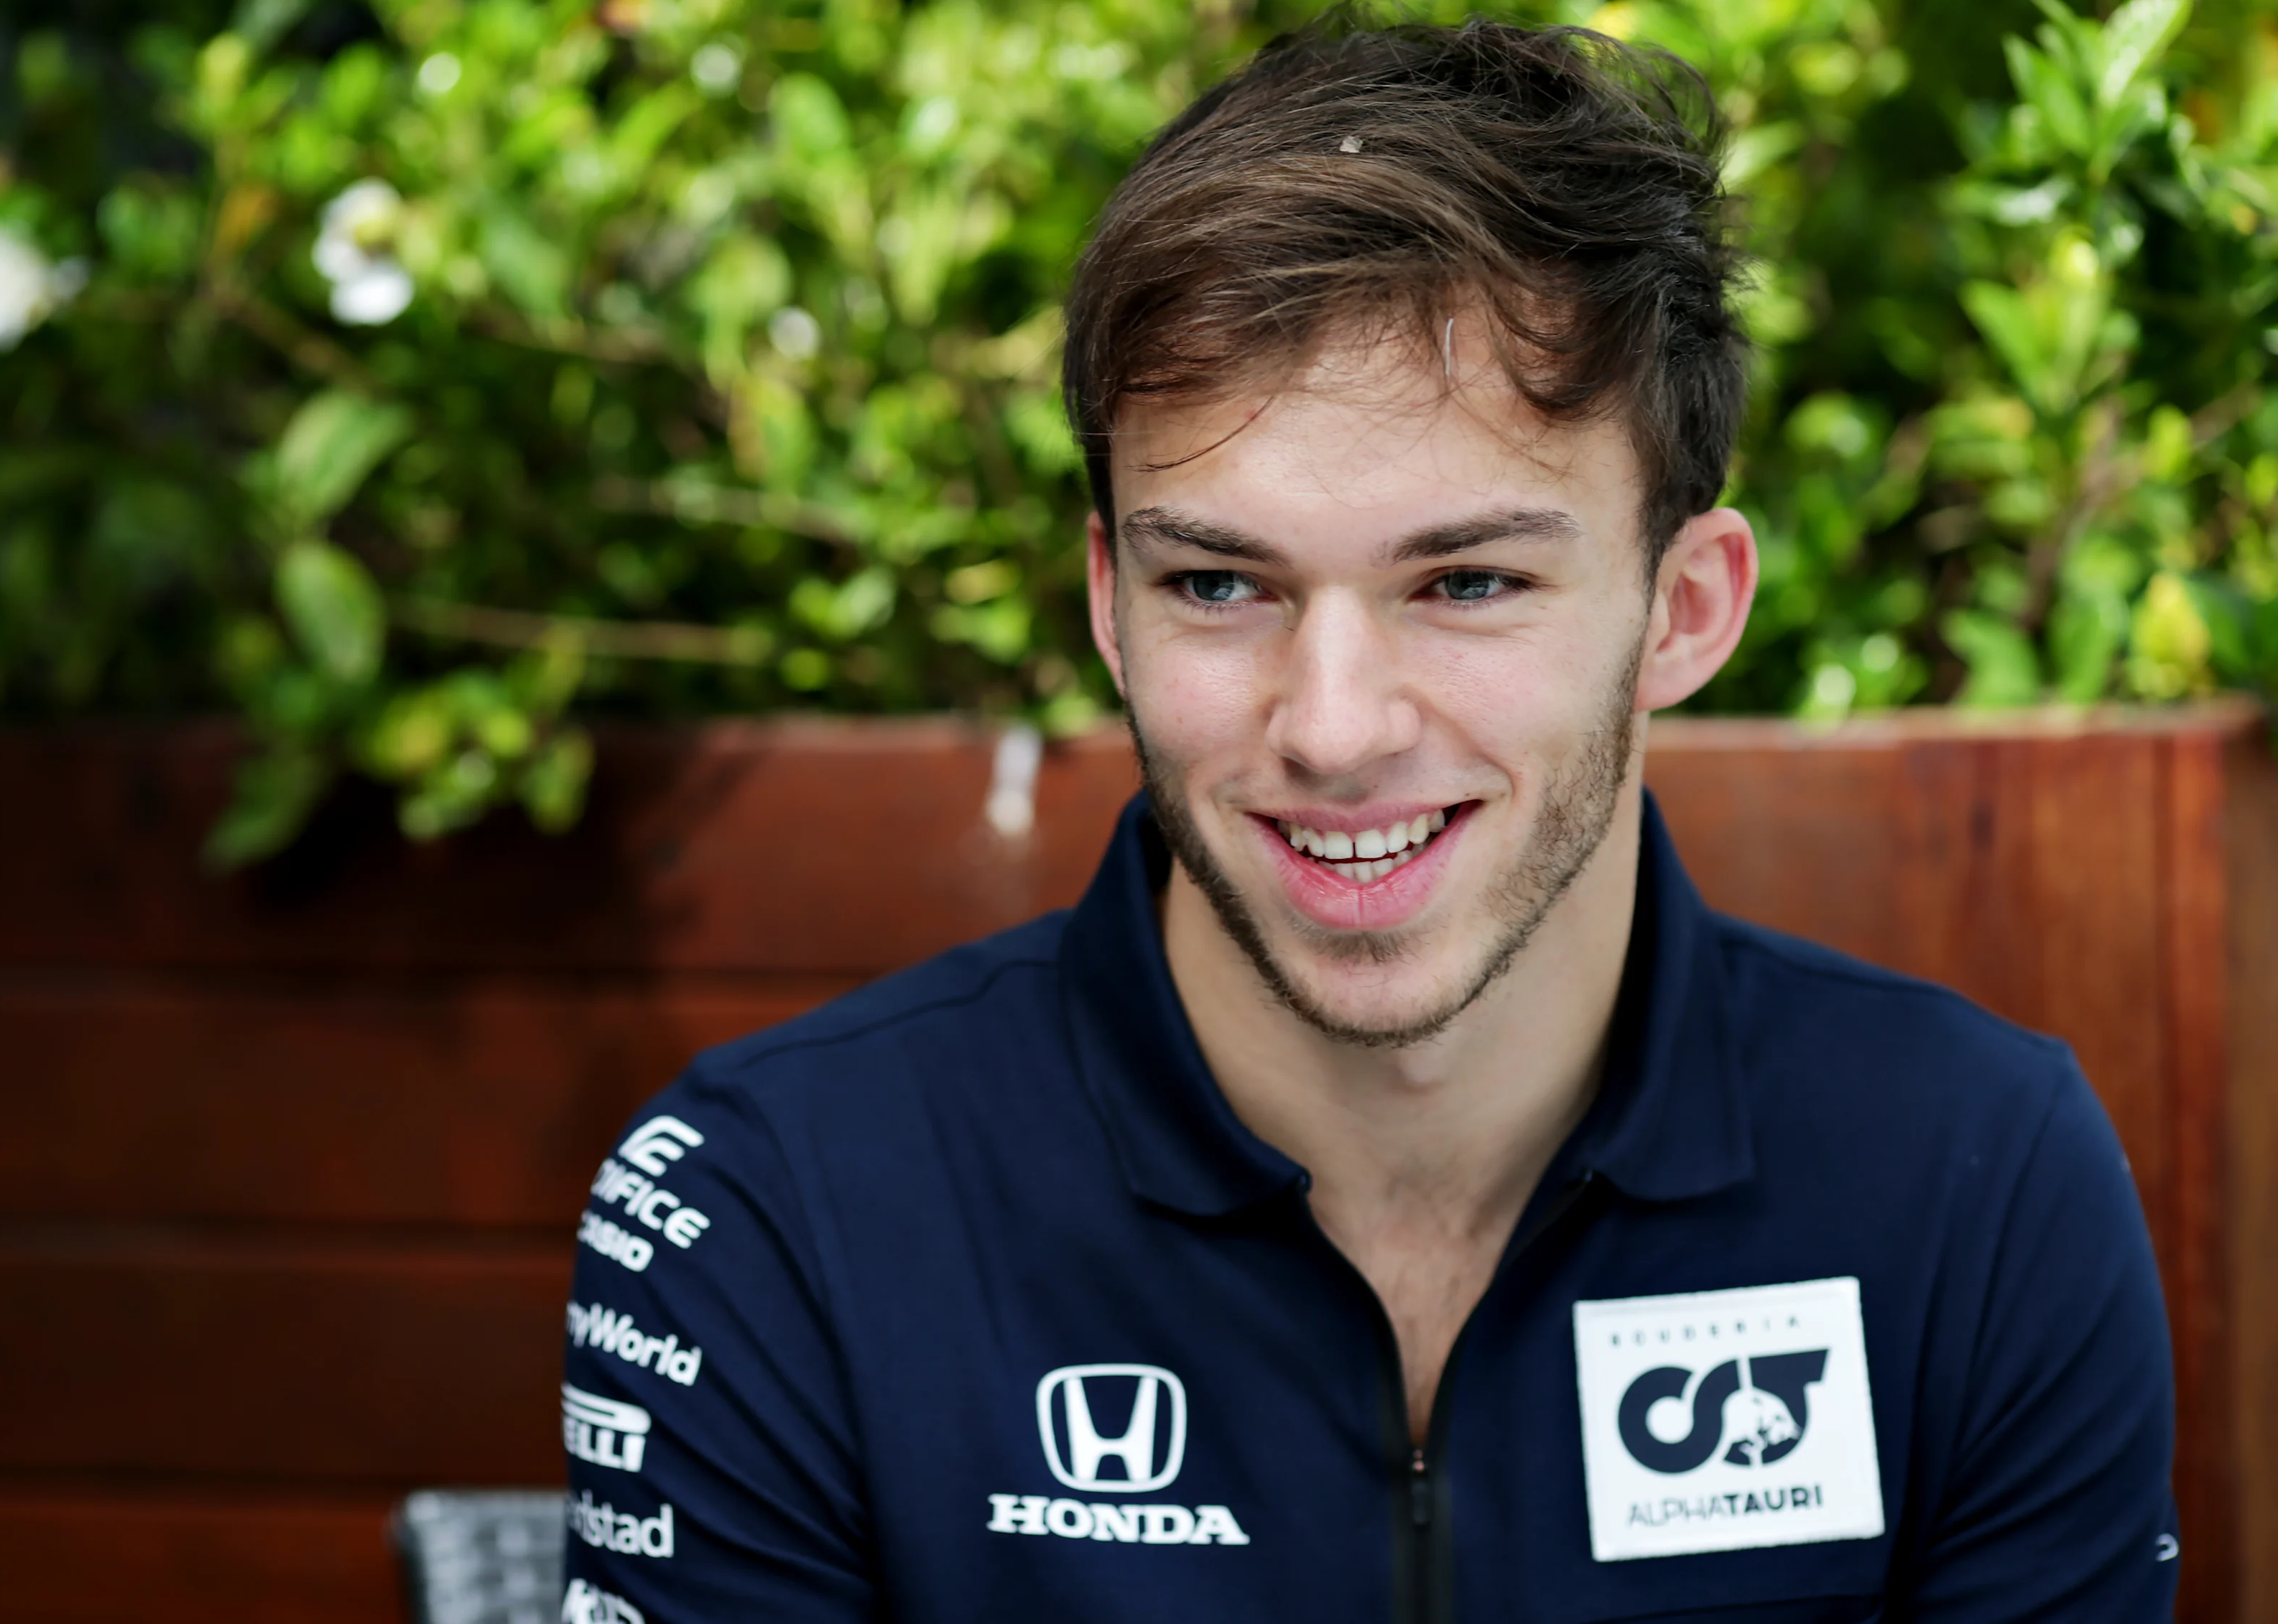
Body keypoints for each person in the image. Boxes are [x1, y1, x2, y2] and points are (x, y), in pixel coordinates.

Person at [557, 19, 2177, 1622]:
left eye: (1465, 580)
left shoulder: (1973, 1180)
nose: (1333, 728)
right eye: (1219, 583)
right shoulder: (776, 1204)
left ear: (1684, 608)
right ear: (1111, 605)